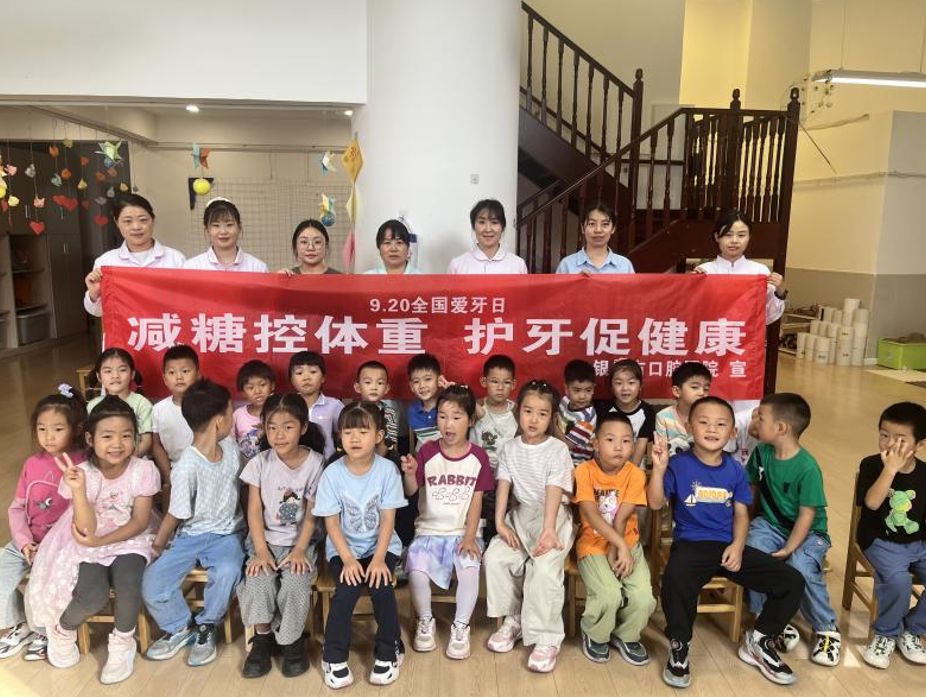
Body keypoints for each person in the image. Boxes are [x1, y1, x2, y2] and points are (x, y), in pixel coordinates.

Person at [648, 396, 805, 689]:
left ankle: (760, 641)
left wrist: (737, 545)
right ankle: (680, 644)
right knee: (676, 577)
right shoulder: (678, 465)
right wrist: (658, 469)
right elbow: (655, 503)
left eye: (721, 424)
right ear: (689, 427)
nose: (712, 429)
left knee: (792, 581)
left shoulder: (735, 470)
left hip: (728, 546)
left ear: (733, 432)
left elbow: (742, 513)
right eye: (703, 422)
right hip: (691, 544)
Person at [30, 397, 160, 684]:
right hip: (89, 541)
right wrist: (78, 490)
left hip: (130, 538)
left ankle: (122, 643)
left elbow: (139, 522)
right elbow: (87, 529)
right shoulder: (82, 473)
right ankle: (63, 629)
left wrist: (102, 542)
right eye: (107, 436)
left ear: (136, 438)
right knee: (93, 594)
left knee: (128, 584)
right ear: (90, 439)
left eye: (126, 435)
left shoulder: (143, 470)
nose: (117, 444)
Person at [142, 379, 245, 667]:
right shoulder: (186, 465)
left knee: (227, 571)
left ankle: (207, 625)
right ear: (220, 420)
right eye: (230, 412)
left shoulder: (232, 449)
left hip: (228, 534)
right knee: (153, 582)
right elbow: (175, 513)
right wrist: (158, 546)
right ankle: (180, 626)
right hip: (190, 536)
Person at [312, 402, 407, 689]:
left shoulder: (388, 471)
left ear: (378, 436)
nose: (354, 438)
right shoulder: (332, 473)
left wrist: (378, 559)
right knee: (347, 589)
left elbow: (388, 520)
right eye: (348, 431)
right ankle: (333, 655)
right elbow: (331, 523)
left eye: (363, 432)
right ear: (339, 436)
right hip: (344, 548)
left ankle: (389, 649)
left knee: (381, 586)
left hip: (382, 546)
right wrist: (348, 559)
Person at [484, 380, 575, 673]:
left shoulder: (557, 449)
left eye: (542, 413)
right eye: (528, 411)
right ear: (518, 412)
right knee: (495, 557)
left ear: (552, 417)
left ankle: (547, 637)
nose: (533, 419)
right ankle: (516, 619)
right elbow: (503, 485)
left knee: (544, 569)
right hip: (521, 515)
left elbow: (554, 490)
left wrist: (548, 529)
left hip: (553, 517)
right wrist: (500, 522)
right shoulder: (510, 448)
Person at [745, 393, 840, 666]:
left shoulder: (807, 467)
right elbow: (752, 493)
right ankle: (770, 618)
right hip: (770, 524)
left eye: (761, 418)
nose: (755, 421)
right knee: (753, 553)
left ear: (781, 428)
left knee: (800, 566)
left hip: (809, 532)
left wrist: (789, 548)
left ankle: (826, 629)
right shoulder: (761, 453)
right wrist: (742, 529)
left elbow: (806, 516)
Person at [237, 394, 326, 679]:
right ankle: (263, 638)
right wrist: (261, 551)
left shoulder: (316, 463)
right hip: (264, 539)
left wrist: (299, 550)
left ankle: (291, 641)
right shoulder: (259, 463)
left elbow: (312, 512)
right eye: (272, 427)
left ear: (303, 427)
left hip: (301, 541)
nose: (279, 435)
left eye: (288, 427)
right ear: (263, 428)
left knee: (296, 583)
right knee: (257, 580)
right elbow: (253, 510)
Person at [401, 386, 493, 659]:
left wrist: (470, 536)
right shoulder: (427, 451)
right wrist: (410, 474)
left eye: (456, 417)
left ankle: (461, 626)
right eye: (442, 416)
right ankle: (426, 621)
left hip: (464, 531)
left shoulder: (478, 457)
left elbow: (476, 501)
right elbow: (410, 491)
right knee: (416, 571)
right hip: (428, 530)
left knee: (469, 570)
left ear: (471, 420)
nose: (448, 424)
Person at [0, 386, 87, 662]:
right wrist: (24, 542)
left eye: (57, 429)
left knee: (40, 583)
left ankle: (43, 631)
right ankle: (18, 624)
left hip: (62, 547)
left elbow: (81, 514)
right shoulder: (31, 464)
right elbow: (17, 508)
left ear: (76, 428)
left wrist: (47, 548)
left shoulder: (84, 464)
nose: (48, 436)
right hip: (30, 541)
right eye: (42, 429)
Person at [574, 412, 655, 665]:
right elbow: (591, 514)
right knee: (609, 594)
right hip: (592, 544)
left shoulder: (636, 474)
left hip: (628, 542)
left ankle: (625, 634)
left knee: (644, 597)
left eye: (626, 441)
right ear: (595, 444)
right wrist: (616, 545)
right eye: (610, 440)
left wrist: (620, 547)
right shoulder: (584, 471)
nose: (619, 447)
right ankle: (595, 633)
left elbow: (621, 518)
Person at [855, 401, 926, 669]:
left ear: (920, 445)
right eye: (884, 435)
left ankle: (913, 629)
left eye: (901, 439)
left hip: (917, 542)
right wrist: (890, 470)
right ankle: (885, 634)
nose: (890, 444)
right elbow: (872, 503)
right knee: (899, 581)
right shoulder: (872, 465)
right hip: (880, 541)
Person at [83, 194, 186, 316]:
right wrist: (94, 294)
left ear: (153, 220)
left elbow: (187, 303)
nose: (136, 227)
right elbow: (98, 312)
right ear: (117, 222)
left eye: (143, 220)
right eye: (128, 221)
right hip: (125, 328)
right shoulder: (106, 262)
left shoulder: (175, 258)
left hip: (164, 326)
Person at [694, 209, 785, 325]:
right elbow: (692, 313)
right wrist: (692, 285)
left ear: (749, 237)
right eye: (728, 235)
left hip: (746, 335)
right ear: (717, 237)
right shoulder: (705, 271)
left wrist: (780, 293)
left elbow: (768, 317)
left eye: (741, 235)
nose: (734, 241)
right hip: (712, 333)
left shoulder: (760, 271)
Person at [471, 355, 518, 543]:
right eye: (494, 381)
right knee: (480, 513)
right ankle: (480, 540)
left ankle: (502, 539)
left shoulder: (517, 412)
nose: (500, 387)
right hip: (479, 473)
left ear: (513, 384)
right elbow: (458, 400)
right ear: (484, 382)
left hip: (508, 475)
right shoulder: (475, 408)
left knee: (506, 512)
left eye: (506, 382)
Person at [87, 348, 153, 457]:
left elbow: (146, 440)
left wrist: (129, 460)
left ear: (132, 374)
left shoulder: (142, 403)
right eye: (108, 371)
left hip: (134, 460)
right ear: (99, 377)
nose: (115, 376)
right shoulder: (93, 405)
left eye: (122, 370)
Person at [150, 345, 199, 490]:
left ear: (198, 375)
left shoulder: (208, 405)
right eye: (172, 372)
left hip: (206, 470)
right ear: (165, 379)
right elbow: (157, 445)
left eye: (185, 371)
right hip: (175, 470)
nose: (179, 377)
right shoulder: (159, 409)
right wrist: (168, 476)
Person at [596, 359, 656, 468]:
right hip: (604, 468)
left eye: (631, 383)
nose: (625, 388)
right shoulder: (603, 409)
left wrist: (626, 475)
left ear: (640, 385)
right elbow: (599, 446)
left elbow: (637, 456)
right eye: (619, 383)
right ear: (611, 387)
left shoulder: (648, 412)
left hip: (632, 470)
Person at [184, 198, 268, 272]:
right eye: (216, 225)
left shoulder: (258, 268)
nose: (223, 231)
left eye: (229, 225)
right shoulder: (191, 268)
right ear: (207, 230)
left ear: (239, 227)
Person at [447, 199, 528, 274]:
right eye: (482, 222)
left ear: (503, 227)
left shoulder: (518, 265)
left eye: (494, 222)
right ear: (473, 226)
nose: (488, 229)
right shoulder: (457, 266)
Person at [288, 351, 342, 460]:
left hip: (326, 463)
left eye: (313, 372)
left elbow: (342, 436)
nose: (306, 377)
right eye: (299, 373)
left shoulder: (334, 405)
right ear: (292, 380)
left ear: (323, 377)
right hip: (295, 464)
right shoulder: (286, 406)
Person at [555, 202, 634, 274]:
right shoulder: (566, 265)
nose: (598, 230)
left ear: (613, 229)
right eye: (592, 224)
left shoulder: (625, 265)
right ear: (582, 228)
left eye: (605, 224)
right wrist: (576, 281)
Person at [654, 362, 711, 458]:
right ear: (677, 391)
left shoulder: (711, 416)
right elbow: (661, 453)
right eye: (695, 387)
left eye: (706, 389)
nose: (702, 393)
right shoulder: (663, 417)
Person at [556, 359, 598, 466]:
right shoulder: (564, 401)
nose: (582, 396)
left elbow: (567, 446)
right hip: (559, 456)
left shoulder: (588, 417)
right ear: (566, 389)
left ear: (593, 389)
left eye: (588, 390)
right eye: (577, 390)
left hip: (577, 464)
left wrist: (552, 423)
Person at [233, 360, 276, 463]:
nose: (257, 391)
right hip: (246, 467)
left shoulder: (279, 413)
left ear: (272, 385)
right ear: (243, 392)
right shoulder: (238, 415)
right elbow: (230, 443)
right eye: (250, 388)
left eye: (262, 385)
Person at [354, 361, 399, 454]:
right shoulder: (351, 411)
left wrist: (377, 460)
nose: (374, 387)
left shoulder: (389, 412)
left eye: (380, 383)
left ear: (386, 388)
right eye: (368, 382)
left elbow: (390, 442)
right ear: (357, 387)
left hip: (383, 456)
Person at [407, 353, 444, 452]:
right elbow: (422, 441)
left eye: (427, 379)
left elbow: (480, 414)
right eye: (416, 381)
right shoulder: (412, 410)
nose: (422, 386)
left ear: (439, 380)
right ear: (411, 386)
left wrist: (454, 391)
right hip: (424, 456)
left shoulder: (449, 404)